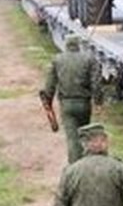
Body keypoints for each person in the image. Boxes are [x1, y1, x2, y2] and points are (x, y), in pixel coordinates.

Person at [41, 34, 102, 163]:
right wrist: (98, 101)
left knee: (72, 139)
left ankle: (75, 167)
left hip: (67, 105)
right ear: (78, 44)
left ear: (66, 45)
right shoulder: (89, 59)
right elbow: (96, 82)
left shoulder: (58, 60)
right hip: (84, 104)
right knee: (84, 134)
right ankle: (86, 162)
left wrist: (48, 101)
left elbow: (50, 83)